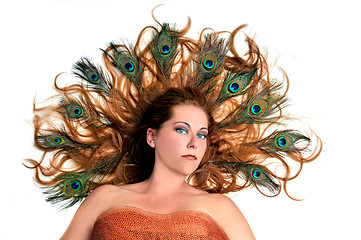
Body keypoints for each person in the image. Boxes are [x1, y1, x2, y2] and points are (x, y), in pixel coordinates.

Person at [25, 16, 321, 240]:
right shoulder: (105, 198)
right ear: (152, 136)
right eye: (182, 130)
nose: (195, 142)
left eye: (202, 134)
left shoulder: (220, 208)